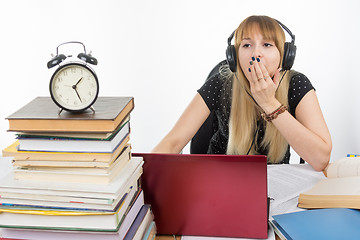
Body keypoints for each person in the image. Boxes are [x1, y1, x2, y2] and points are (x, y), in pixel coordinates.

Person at [152, 15, 332, 171]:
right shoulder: (221, 83)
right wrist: (142, 178)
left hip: (273, 190)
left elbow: (320, 160)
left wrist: (270, 104)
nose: (256, 53)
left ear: (285, 55)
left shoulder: (296, 84)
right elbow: (172, 142)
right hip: (218, 181)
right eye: (247, 45)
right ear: (234, 55)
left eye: (267, 44)